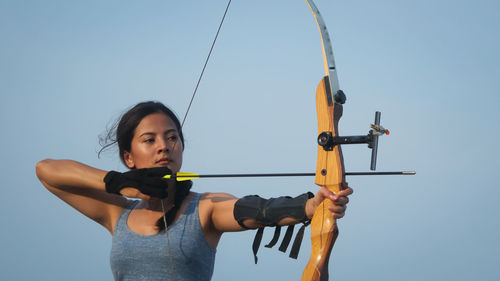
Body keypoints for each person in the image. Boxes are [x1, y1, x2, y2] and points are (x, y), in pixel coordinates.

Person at [36, 101, 353, 281]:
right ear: (128, 157)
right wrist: (116, 182)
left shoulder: (204, 208)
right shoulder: (117, 212)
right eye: (150, 140)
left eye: (172, 137)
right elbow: (47, 171)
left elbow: (258, 210)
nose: (164, 146)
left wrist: (311, 207)